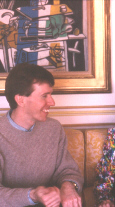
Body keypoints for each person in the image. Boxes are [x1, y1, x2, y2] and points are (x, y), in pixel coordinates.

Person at [0, 63, 84, 207]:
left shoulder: (53, 128)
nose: (52, 102)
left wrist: (68, 187)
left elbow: (67, 170)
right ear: (20, 100)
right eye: (44, 96)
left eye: (50, 95)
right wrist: (33, 194)